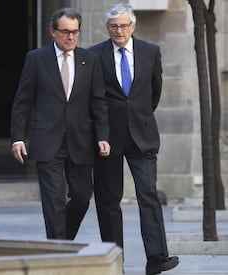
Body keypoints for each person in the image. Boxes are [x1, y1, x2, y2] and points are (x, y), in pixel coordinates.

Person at [87, 3, 179, 274]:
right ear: (107, 28)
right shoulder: (95, 55)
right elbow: (96, 100)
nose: (119, 31)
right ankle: (114, 260)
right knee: (108, 199)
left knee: (148, 194)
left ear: (133, 26)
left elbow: (154, 93)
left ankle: (157, 257)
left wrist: (136, 117)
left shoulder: (151, 52)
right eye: (114, 26)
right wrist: (102, 133)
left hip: (142, 136)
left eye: (124, 25)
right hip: (108, 138)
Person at [11, 7, 110, 241]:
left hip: (81, 140)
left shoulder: (90, 59)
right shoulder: (36, 59)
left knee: (82, 197)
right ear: (53, 32)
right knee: (54, 199)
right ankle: (59, 251)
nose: (71, 37)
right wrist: (17, 137)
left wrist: (102, 136)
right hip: (47, 141)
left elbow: (99, 102)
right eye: (65, 32)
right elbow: (22, 102)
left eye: (75, 32)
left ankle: (62, 241)